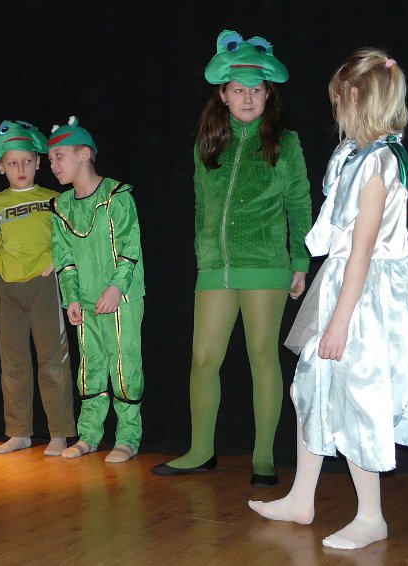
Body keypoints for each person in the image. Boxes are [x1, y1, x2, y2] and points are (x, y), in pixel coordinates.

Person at [248, 49, 408, 550]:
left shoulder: (379, 164)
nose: (336, 111)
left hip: (367, 294)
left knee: (358, 397)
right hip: (346, 283)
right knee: (311, 387)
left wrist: (339, 322)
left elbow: (363, 250)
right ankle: (301, 497)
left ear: (355, 97)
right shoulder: (355, 154)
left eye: (338, 101)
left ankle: (371, 516)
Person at [151, 30, 312, 486]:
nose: (247, 98)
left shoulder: (285, 142)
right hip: (215, 267)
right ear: (223, 94)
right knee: (203, 357)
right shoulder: (206, 143)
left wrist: (300, 260)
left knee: (262, 356)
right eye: (239, 90)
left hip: (266, 264)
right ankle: (201, 450)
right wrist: (203, 254)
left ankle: (264, 456)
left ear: (268, 94)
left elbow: (299, 203)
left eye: (256, 90)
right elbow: (201, 204)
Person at [0, 120, 76, 456]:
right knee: (13, 363)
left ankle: (59, 434)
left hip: (43, 286)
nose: (21, 168)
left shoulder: (54, 198)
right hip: (7, 291)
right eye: (12, 163)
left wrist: (57, 259)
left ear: (38, 162)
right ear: (1, 167)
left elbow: (77, 234)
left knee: (52, 361)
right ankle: (19, 433)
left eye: (27, 161)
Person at [48, 117, 145, 463]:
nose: (53, 165)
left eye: (59, 156)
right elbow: (64, 258)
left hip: (122, 298)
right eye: (51, 159)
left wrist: (116, 287)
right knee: (90, 367)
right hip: (87, 300)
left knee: (123, 364)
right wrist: (71, 297)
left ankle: (128, 437)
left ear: (84, 154)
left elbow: (129, 246)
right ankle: (89, 435)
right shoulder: (61, 207)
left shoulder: (116, 196)